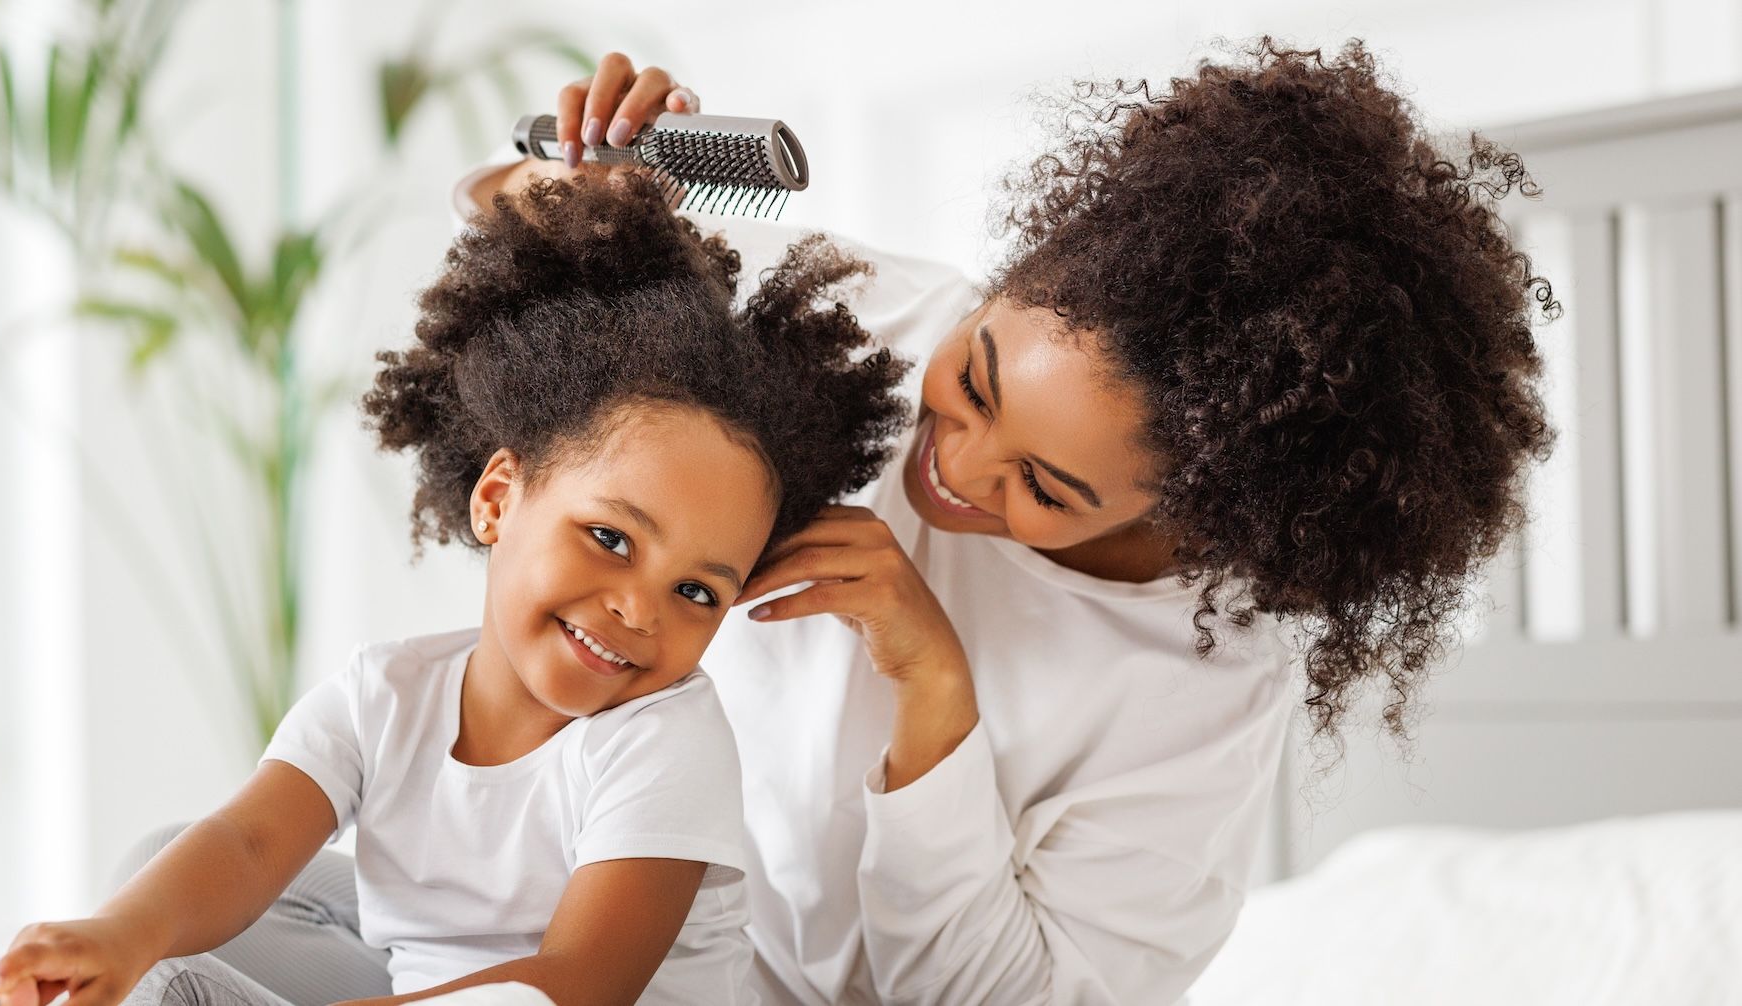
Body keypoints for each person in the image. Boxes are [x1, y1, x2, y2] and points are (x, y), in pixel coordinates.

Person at [443, 37, 1549, 1004]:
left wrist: (934, 692)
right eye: (973, 378)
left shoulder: (1199, 690)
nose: (953, 467)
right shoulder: (871, 312)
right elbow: (494, 209)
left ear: (1206, 519)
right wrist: (596, 187)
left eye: (1049, 488)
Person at [0, 172, 912, 1006]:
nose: (639, 608)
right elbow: (251, 845)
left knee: (176, 985)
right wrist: (114, 941)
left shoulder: (667, 738)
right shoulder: (387, 695)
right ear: (499, 498)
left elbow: (577, 985)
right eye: (611, 538)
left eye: (699, 593)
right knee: (160, 884)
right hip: (434, 985)